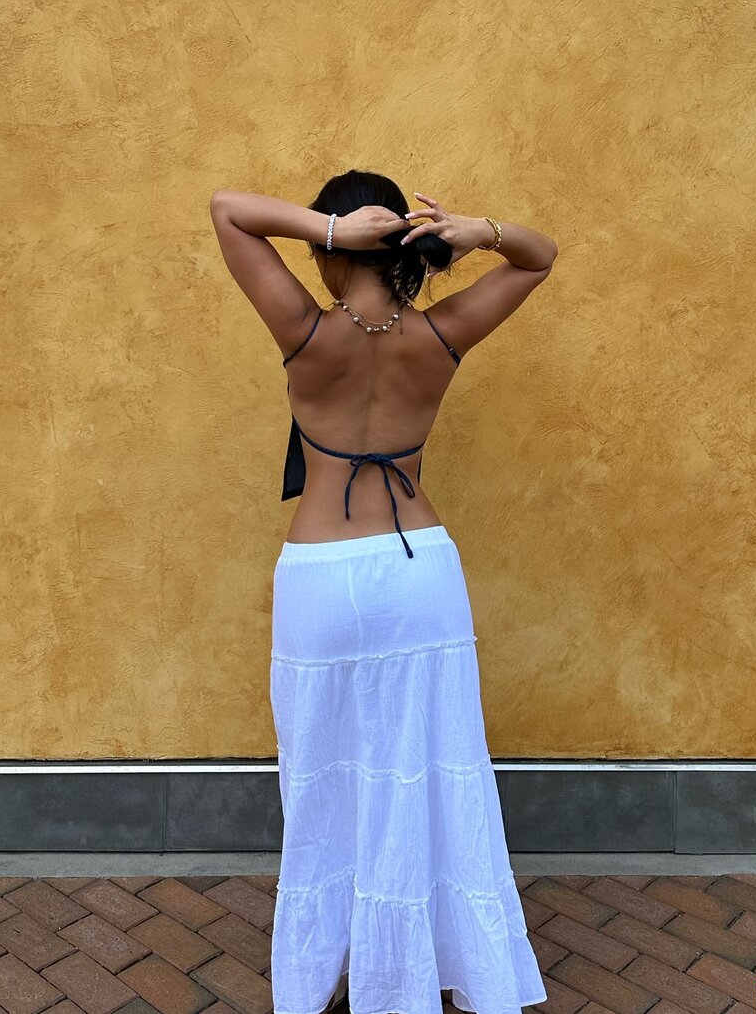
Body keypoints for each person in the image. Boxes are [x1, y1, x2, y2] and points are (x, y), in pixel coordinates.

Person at [210, 170, 557, 1014]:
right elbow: (539, 257)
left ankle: (327, 973)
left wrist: (328, 232)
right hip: (419, 573)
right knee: (428, 769)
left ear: (338, 247)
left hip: (321, 577)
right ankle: (426, 968)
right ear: (402, 242)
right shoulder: (439, 334)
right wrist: (478, 230)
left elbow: (228, 210)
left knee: (323, 777)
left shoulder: (305, 332)